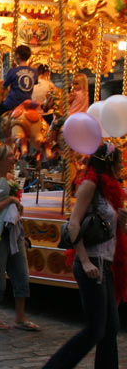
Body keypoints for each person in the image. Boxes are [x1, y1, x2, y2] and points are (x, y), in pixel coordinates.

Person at [44, 143, 127, 368]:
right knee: (95, 330)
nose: (122, 166)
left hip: (106, 264)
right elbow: (73, 225)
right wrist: (85, 260)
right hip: (93, 263)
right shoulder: (90, 184)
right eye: (119, 162)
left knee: (111, 327)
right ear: (109, 163)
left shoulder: (109, 189)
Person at [0, 144, 39, 331]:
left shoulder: (10, 179)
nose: (14, 159)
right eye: (11, 156)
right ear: (1, 159)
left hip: (13, 232)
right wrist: (10, 201)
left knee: (21, 274)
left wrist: (16, 208)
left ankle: (20, 317)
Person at [0, 44, 37, 155]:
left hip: (12, 103)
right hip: (27, 105)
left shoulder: (13, 71)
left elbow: (2, 89)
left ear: (17, 56)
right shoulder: (34, 72)